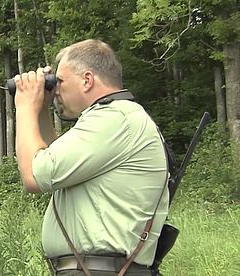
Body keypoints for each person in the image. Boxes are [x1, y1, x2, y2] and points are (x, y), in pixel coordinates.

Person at [13, 39, 169, 276]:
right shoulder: (118, 118)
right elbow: (57, 162)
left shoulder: (114, 119)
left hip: (101, 270)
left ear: (87, 80)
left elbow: (34, 175)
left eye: (60, 82)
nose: (56, 91)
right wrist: (42, 109)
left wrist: (25, 107)